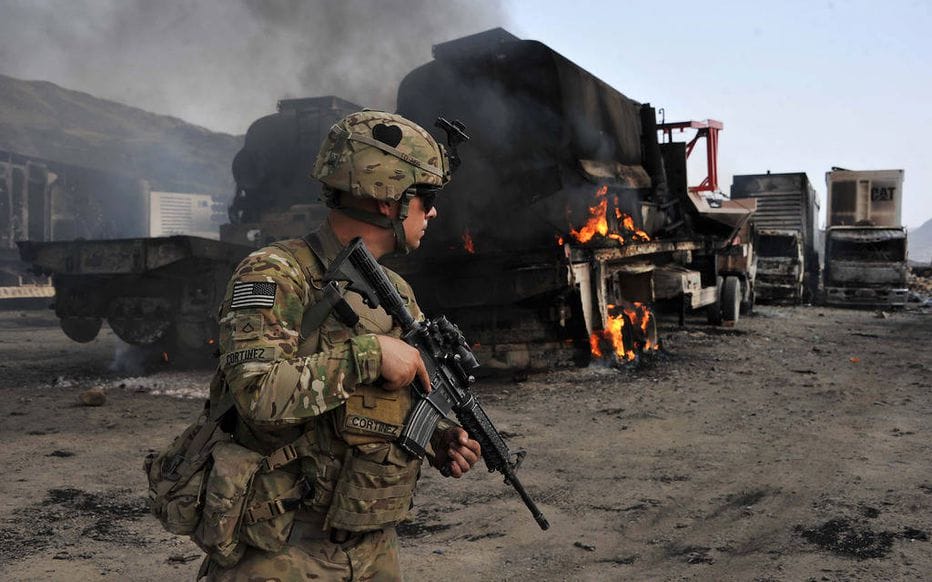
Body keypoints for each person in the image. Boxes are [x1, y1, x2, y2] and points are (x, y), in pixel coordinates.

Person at [200, 111, 481, 580]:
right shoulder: (275, 273)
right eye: (426, 198)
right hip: (281, 550)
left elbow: (384, 400)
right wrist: (368, 354)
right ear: (391, 201)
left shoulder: (397, 292)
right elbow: (257, 395)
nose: (432, 212)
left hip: (372, 547)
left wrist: (436, 435)